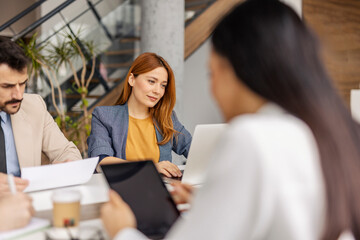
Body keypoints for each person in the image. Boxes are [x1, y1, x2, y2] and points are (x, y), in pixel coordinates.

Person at [100, 0, 360, 239]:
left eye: (211, 73)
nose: (212, 90)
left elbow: (191, 146)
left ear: (237, 71)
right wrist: (219, 199)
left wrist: (122, 231)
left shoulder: (251, 137)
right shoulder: (332, 131)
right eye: (151, 81)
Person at [87, 52, 192, 178]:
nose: (157, 91)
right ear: (132, 79)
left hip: (161, 190)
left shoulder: (166, 118)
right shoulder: (104, 116)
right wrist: (151, 168)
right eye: (151, 81)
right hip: (123, 190)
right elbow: (101, 161)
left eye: (163, 85)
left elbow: (192, 148)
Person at [0, 36, 82, 192]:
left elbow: (67, 152)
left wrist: (61, 168)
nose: (18, 95)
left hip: (30, 203)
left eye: (22, 83)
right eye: (7, 86)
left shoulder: (34, 106)